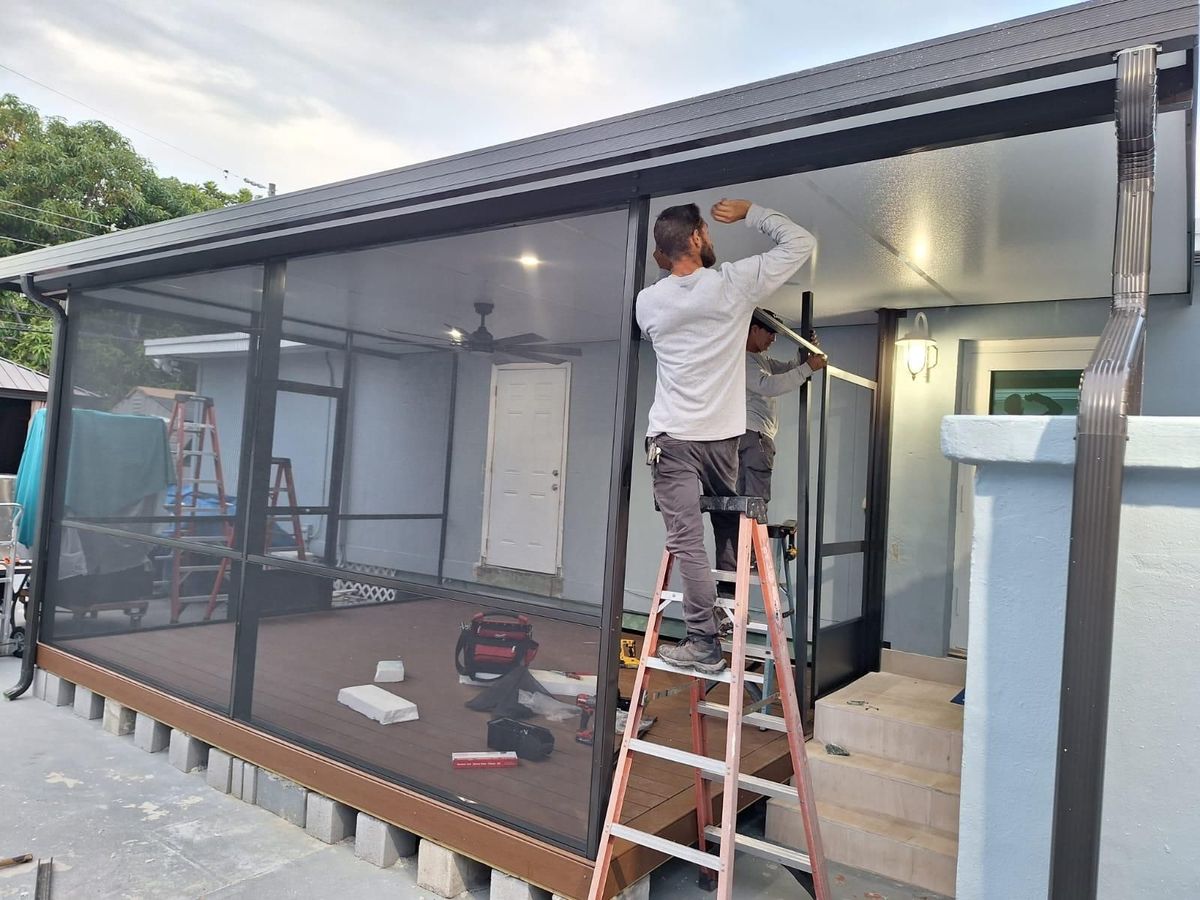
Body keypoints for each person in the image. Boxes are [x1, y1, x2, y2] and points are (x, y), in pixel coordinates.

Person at [637, 199, 815, 673]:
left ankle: (704, 639)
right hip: (722, 442)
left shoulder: (648, 302)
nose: (713, 240)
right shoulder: (733, 285)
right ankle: (720, 619)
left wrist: (666, 260)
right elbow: (802, 242)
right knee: (725, 532)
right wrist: (753, 212)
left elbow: (671, 299)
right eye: (707, 234)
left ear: (662, 252)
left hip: (673, 439)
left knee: (686, 541)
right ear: (696, 237)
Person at [736, 312, 826, 509]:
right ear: (754, 330)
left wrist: (804, 355)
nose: (773, 339)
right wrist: (808, 368)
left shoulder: (761, 360)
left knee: (745, 503)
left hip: (752, 436)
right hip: (753, 436)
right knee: (754, 503)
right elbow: (769, 385)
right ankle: (746, 540)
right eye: (770, 332)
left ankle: (741, 539)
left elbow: (788, 370)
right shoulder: (742, 359)